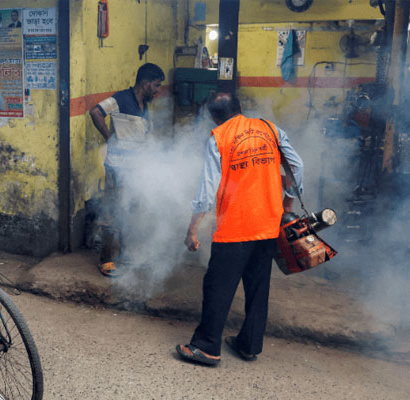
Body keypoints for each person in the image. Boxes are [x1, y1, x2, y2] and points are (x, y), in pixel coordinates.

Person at [176, 92, 304, 366]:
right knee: (257, 289)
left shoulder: (218, 138)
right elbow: (297, 165)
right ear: (241, 108)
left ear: (213, 116)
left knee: (217, 287)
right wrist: (288, 203)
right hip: (269, 225)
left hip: (235, 227)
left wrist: (192, 229)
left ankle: (207, 347)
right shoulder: (270, 129)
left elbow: (206, 190)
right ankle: (248, 346)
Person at [88, 63, 164, 277]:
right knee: (112, 211)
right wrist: (109, 138)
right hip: (117, 167)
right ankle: (107, 259)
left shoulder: (144, 105)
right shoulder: (121, 98)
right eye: (156, 86)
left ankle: (123, 253)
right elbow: (95, 112)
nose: (158, 90)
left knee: (129, 210)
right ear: (145, 83)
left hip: (135, 168)